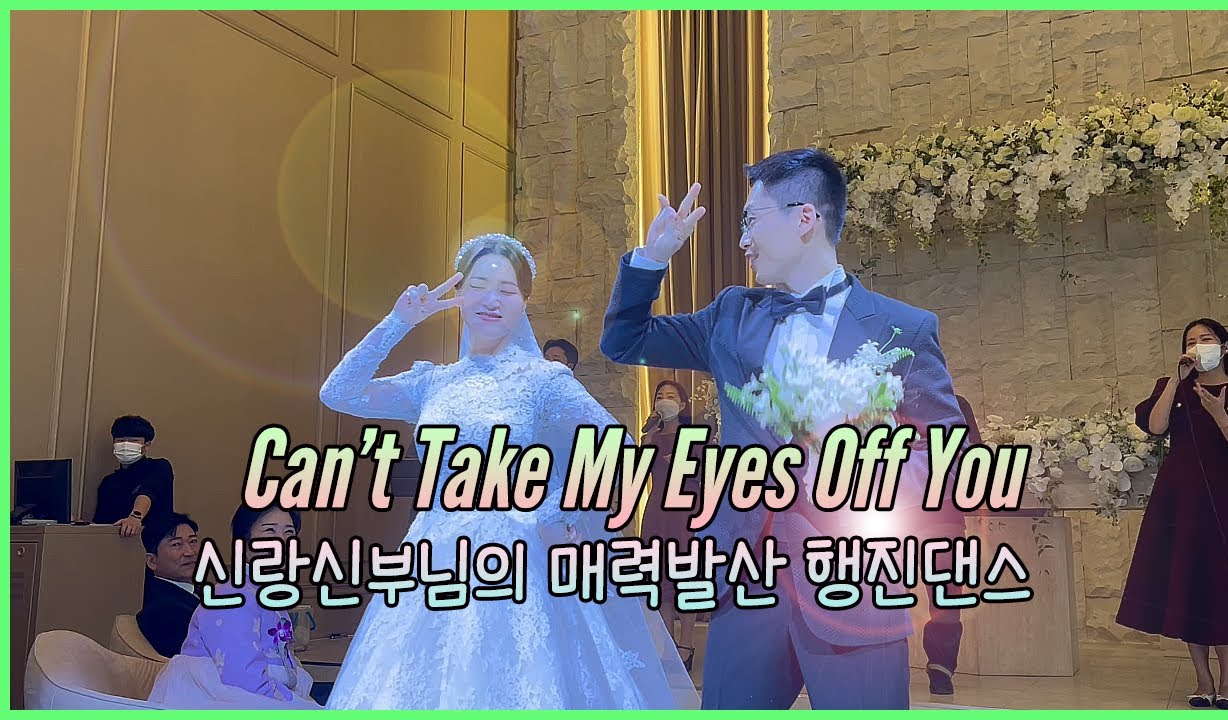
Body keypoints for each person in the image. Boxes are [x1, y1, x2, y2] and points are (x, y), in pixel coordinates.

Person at [600, 148, 967, 710]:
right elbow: (625, 342)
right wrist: (653, 259)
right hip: (745, 580)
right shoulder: (730, 316)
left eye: (752, 219)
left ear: (805, 218)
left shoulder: (903, 328)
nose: (743, 239)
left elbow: (945, 454)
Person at [318, 233, 697, 710]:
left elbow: (614, 443)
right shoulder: (432, 382)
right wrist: (399, 322)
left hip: (517, 555)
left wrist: (557, 509)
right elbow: (338, 392)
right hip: (433, 553)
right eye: (478, 286)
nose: (492, 300)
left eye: (507, 290)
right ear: (459, 294)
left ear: (524, 303)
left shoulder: (542, 379)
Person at [1117, 318, 1228, 710]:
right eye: (1191, 341)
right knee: (1187, 584)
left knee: (1221, 585)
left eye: (1206, 339)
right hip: (1177, 498)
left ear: (1225, 347)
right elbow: (1156, 426)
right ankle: (1202, 679)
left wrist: (1219, 413)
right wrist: (1177, 378)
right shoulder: (1175, 387)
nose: (1198, 346)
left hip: (1222, 498)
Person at [148, 503, 320, 708]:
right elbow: (245, 683)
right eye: (270, 531)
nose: (282, 542)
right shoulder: (232, 596)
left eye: (289, 532)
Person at [638, 379, 700, 670]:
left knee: (685, 577)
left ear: (682, 405)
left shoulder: (693, 436)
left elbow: (704, 473)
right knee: (660, 580)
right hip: (657, 511)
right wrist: (649, 433)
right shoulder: (650, 436)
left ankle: (686, 644)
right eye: (660, 396)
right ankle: (668, 646)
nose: (664, 400)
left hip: (685, 512)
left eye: (671, 396)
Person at [920, 393, 980, 695]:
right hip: (890, 509)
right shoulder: (876, 403)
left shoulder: (955, 403)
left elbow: (974, 456)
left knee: (945, 596)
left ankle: (941, 668)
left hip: (941, 512)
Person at [92, 415, 175, 537]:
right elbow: (100, 522)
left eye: (133, 441)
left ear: (146, 445)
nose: (126, 445)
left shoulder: (159, 467)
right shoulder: (108, 482)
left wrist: (135, 517)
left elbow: (147, 492)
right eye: (120, 440)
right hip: (115, 544)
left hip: (154, 542)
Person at [136, 512, 201, 657]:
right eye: (176, 544)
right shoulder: (163, 609)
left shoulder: (200, 592)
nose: (190, 552)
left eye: (193, 541)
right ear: (152, 561)